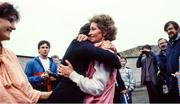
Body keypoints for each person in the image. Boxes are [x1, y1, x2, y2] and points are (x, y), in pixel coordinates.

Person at [48, 14, 121, 103]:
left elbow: (97, 87)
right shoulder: (94, 49)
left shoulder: (104, 52)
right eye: (90, 29)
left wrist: (72, 74)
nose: (89, 33)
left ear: (104, 32)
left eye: (93, 29)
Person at [0, 2, 51, 103]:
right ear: (38, 50)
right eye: (10, 20)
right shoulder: (32, 62)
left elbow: (28, 92)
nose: (14, 27)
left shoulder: (10, 55)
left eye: (47, 47)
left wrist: (60, 91)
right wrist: (40, 78)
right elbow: (29, 79)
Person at [164, 21, 180, 102]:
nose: (168, 31)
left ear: (177, 28)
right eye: (167, 30)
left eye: (170, 28)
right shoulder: (169, 44)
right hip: (172, 81)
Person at [156, 38, 169, 102]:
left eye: (164, 43)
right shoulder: (157, 56)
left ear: (167, 43)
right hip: (164, 82)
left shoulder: (174, 52)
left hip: (176, 80)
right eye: (160, 44)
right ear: (159, 46)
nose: (163, 44)